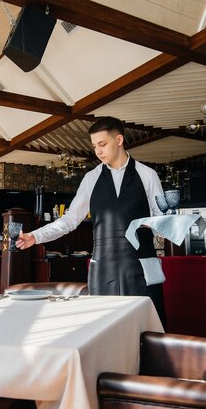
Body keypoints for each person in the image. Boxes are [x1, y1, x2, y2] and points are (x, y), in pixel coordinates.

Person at [16, 116, 166, 321]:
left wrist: (165, 224)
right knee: (102, 328)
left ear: (119, 140)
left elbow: (161, 219)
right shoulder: (91, 178)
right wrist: (35, 236)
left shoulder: (148, 175)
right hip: (103, 267)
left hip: (140, 265)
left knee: (146, 326)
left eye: (102, 144)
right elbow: (69, 220)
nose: (98, 151)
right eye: (95, 146)